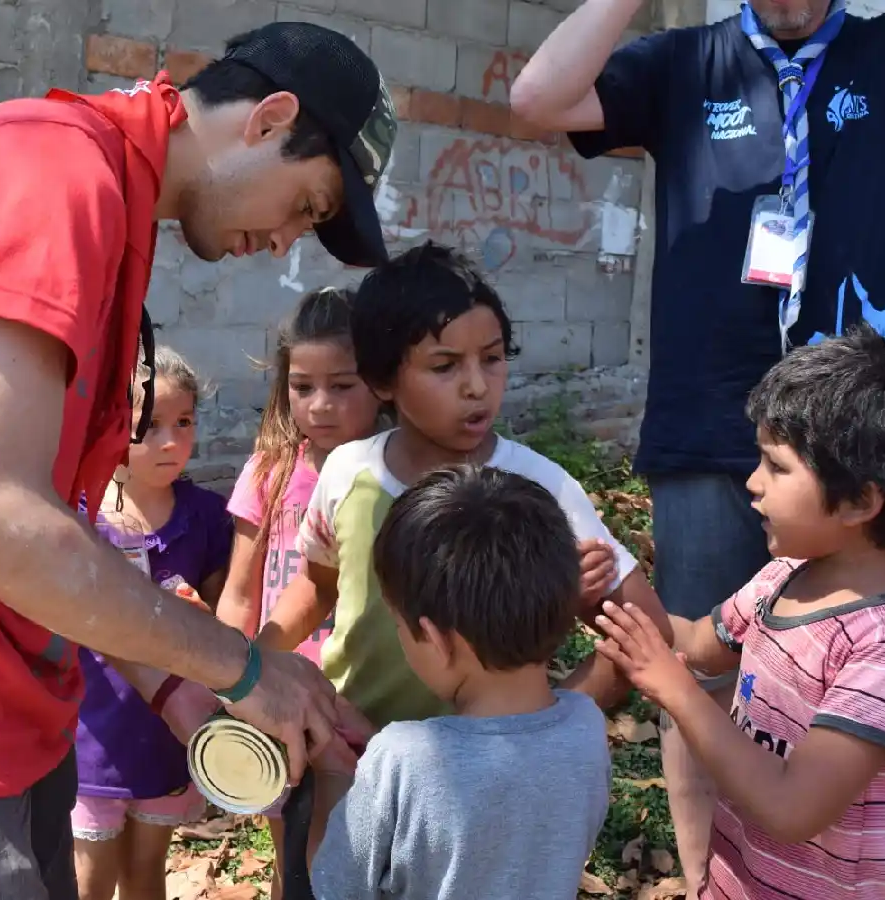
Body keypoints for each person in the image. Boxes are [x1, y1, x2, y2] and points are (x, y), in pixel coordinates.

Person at [0, 21, 395, 900]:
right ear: (269, 118)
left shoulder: (107, 196)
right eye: (307, 205)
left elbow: (53, 525)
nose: (286, 241)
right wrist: (242, 665)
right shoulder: (54, 177)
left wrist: (175, 688)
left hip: (3, 712)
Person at [510, 0, 885, 886]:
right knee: (704, 675)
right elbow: (538, 98)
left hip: (861, 441)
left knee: (879, 660)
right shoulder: (686, 64)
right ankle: (708, 878)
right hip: (707, 421)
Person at [259, 240, 671, 854]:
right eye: (445, 366)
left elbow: (646, 631)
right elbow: (318, 586)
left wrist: (549, 726)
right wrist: (258, 661)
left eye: (494, 358)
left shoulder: (541, 490)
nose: (477, 386)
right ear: (381, 379)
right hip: (344, 754)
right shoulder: (346, 473)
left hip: (480, 794)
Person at [594, 324, 885, 899]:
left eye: (776, 466)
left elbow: (793, 807)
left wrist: (678, 692)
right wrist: (604, 589)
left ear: (861, 501)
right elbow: (690, 641)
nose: (751, 483)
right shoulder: (786, 573)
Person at [310, 466, 611, 900]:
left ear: (434, 638)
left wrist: (334, 773)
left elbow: (335, 885)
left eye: (399, 626)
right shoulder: (586, 726)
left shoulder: (397, 758)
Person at [217, 286, 383, 898]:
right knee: (292, 851)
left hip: (359, 703)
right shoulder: (270, 472)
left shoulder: (390, 477)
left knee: (355, 855)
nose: (320, 405)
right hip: (280, 697)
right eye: (302, 386)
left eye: (342, 385)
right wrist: (237, 682)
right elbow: (239, 591)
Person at [71, 347, 232, 900]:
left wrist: (201, 619)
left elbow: (223, 617)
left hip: (168, 730)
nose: (170, 442)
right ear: (112, 425)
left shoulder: (206, 517)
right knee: (89, 880)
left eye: (183, 422)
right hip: (93, 731)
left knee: (147, 872)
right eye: (149, 425)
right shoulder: (82, 514)